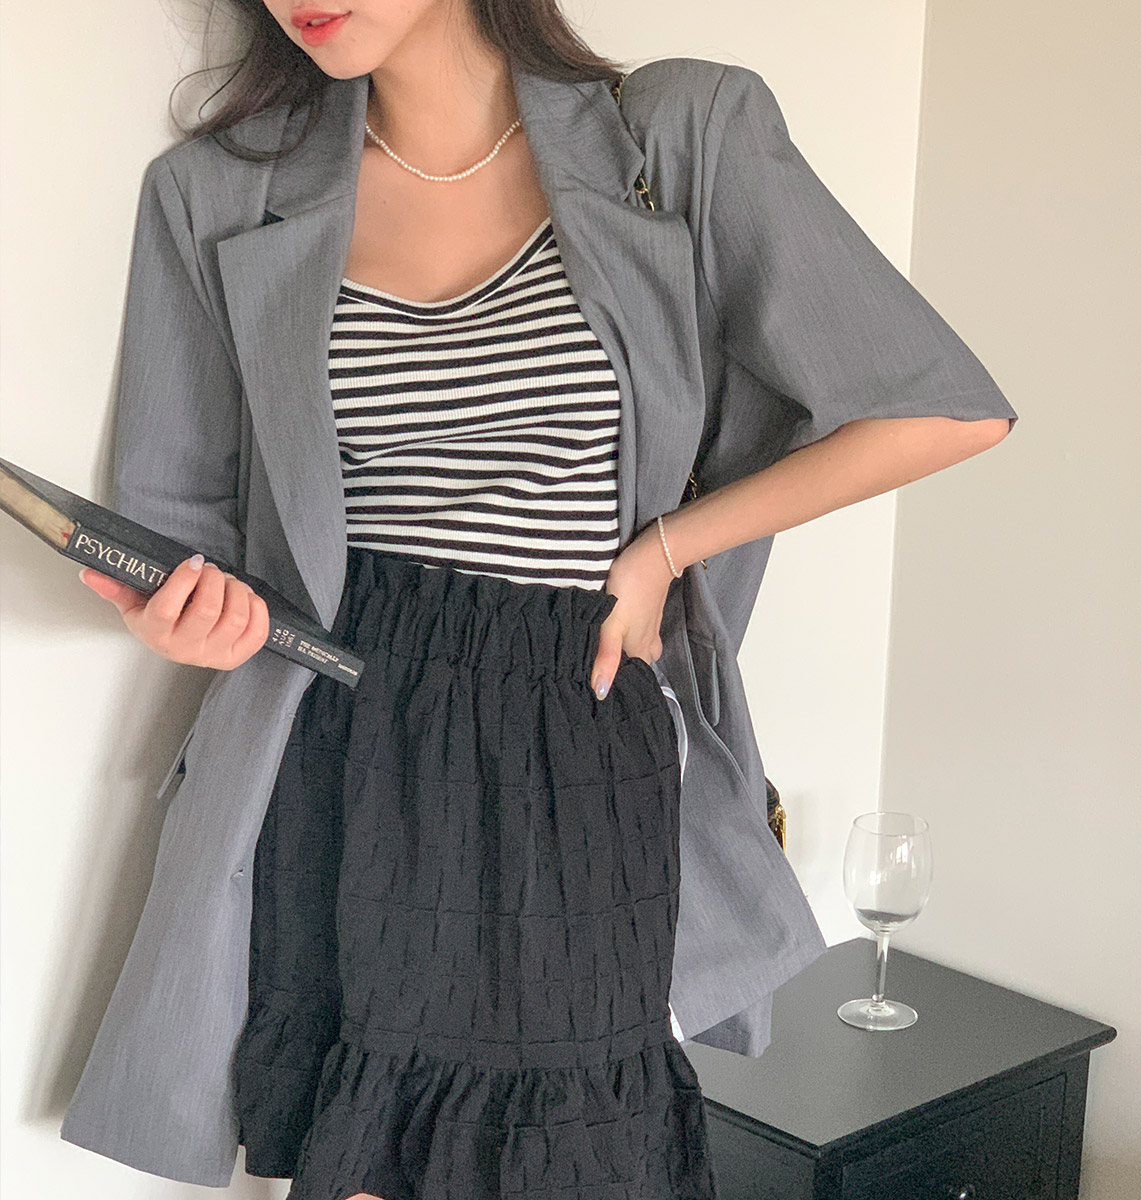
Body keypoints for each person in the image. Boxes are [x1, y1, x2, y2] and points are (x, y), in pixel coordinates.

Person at [70, 1, 1016, 1196]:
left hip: (571, 728)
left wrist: (667, 550)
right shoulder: (218, 193)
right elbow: (184, 526)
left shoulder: (678, 134)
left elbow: (941, 410)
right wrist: (186, 620)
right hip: (343, 729)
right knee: (361, 1158)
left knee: (569, 1154)